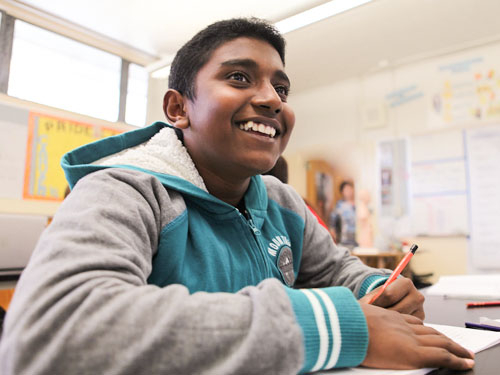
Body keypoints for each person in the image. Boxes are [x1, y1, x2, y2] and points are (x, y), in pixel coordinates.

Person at [0, 18, 474, 375]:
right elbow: (53, 332)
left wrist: (376, 292)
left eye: (281, 88)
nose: (272, 99)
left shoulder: (281, 200)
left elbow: (336, 269)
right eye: (240, 78)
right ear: (178, 108)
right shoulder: (124, 189)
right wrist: (332, 325)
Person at [332, 180, 358, 248]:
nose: (349, 192)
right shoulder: (340, 205)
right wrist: (333, 231)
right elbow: (333, 220)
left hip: (358, 239)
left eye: (350, 189)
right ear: (342, 192)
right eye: (346, 190)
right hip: (345, 240)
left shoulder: (357, 204)